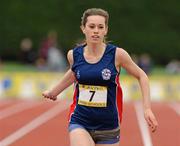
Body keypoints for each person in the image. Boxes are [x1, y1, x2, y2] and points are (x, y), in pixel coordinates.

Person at [42, 8, 158, 146]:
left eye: (100, 27)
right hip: (80, 121)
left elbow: (142, 76)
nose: (96, 31)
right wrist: (54, 92)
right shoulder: (73, 55)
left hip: (108, 127)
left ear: (106, 30)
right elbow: (74, 73)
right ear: (83, 29)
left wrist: (147, 108)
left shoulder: (117, 55)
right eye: (91, 26)